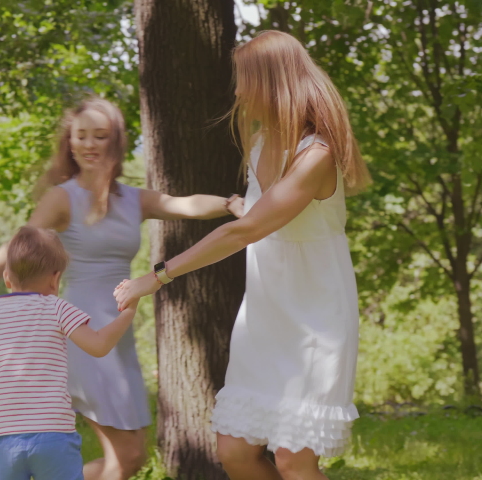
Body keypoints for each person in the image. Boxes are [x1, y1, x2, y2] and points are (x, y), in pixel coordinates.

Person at [114, 31, 372, 480]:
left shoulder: (318, 155)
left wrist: (154, 278)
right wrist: (239, 206)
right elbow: (263, 215)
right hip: (265, 320)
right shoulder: (258, 146)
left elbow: (248, 231)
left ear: (270, 83)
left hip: (316, 322)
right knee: (235, 453)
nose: (236, 91)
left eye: (242, 80)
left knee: (294, 460)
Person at [0, 97, 244, 479]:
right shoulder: (63, 197)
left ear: (114, 142)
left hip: (117, 330)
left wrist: (229, 204)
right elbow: (22, 239)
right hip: (81, 330)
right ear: (70, 142)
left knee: (129, 458)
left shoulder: (131, 198)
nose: (89, 144)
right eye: (80, 136)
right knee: (127, 456)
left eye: (100, 136)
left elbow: (184, 204)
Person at [0, 226, 140, 480]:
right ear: (55, 279)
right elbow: (99, 345)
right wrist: (128, 311)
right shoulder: (56, 308)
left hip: (3, 441)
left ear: (7, 278)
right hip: (53, 437)